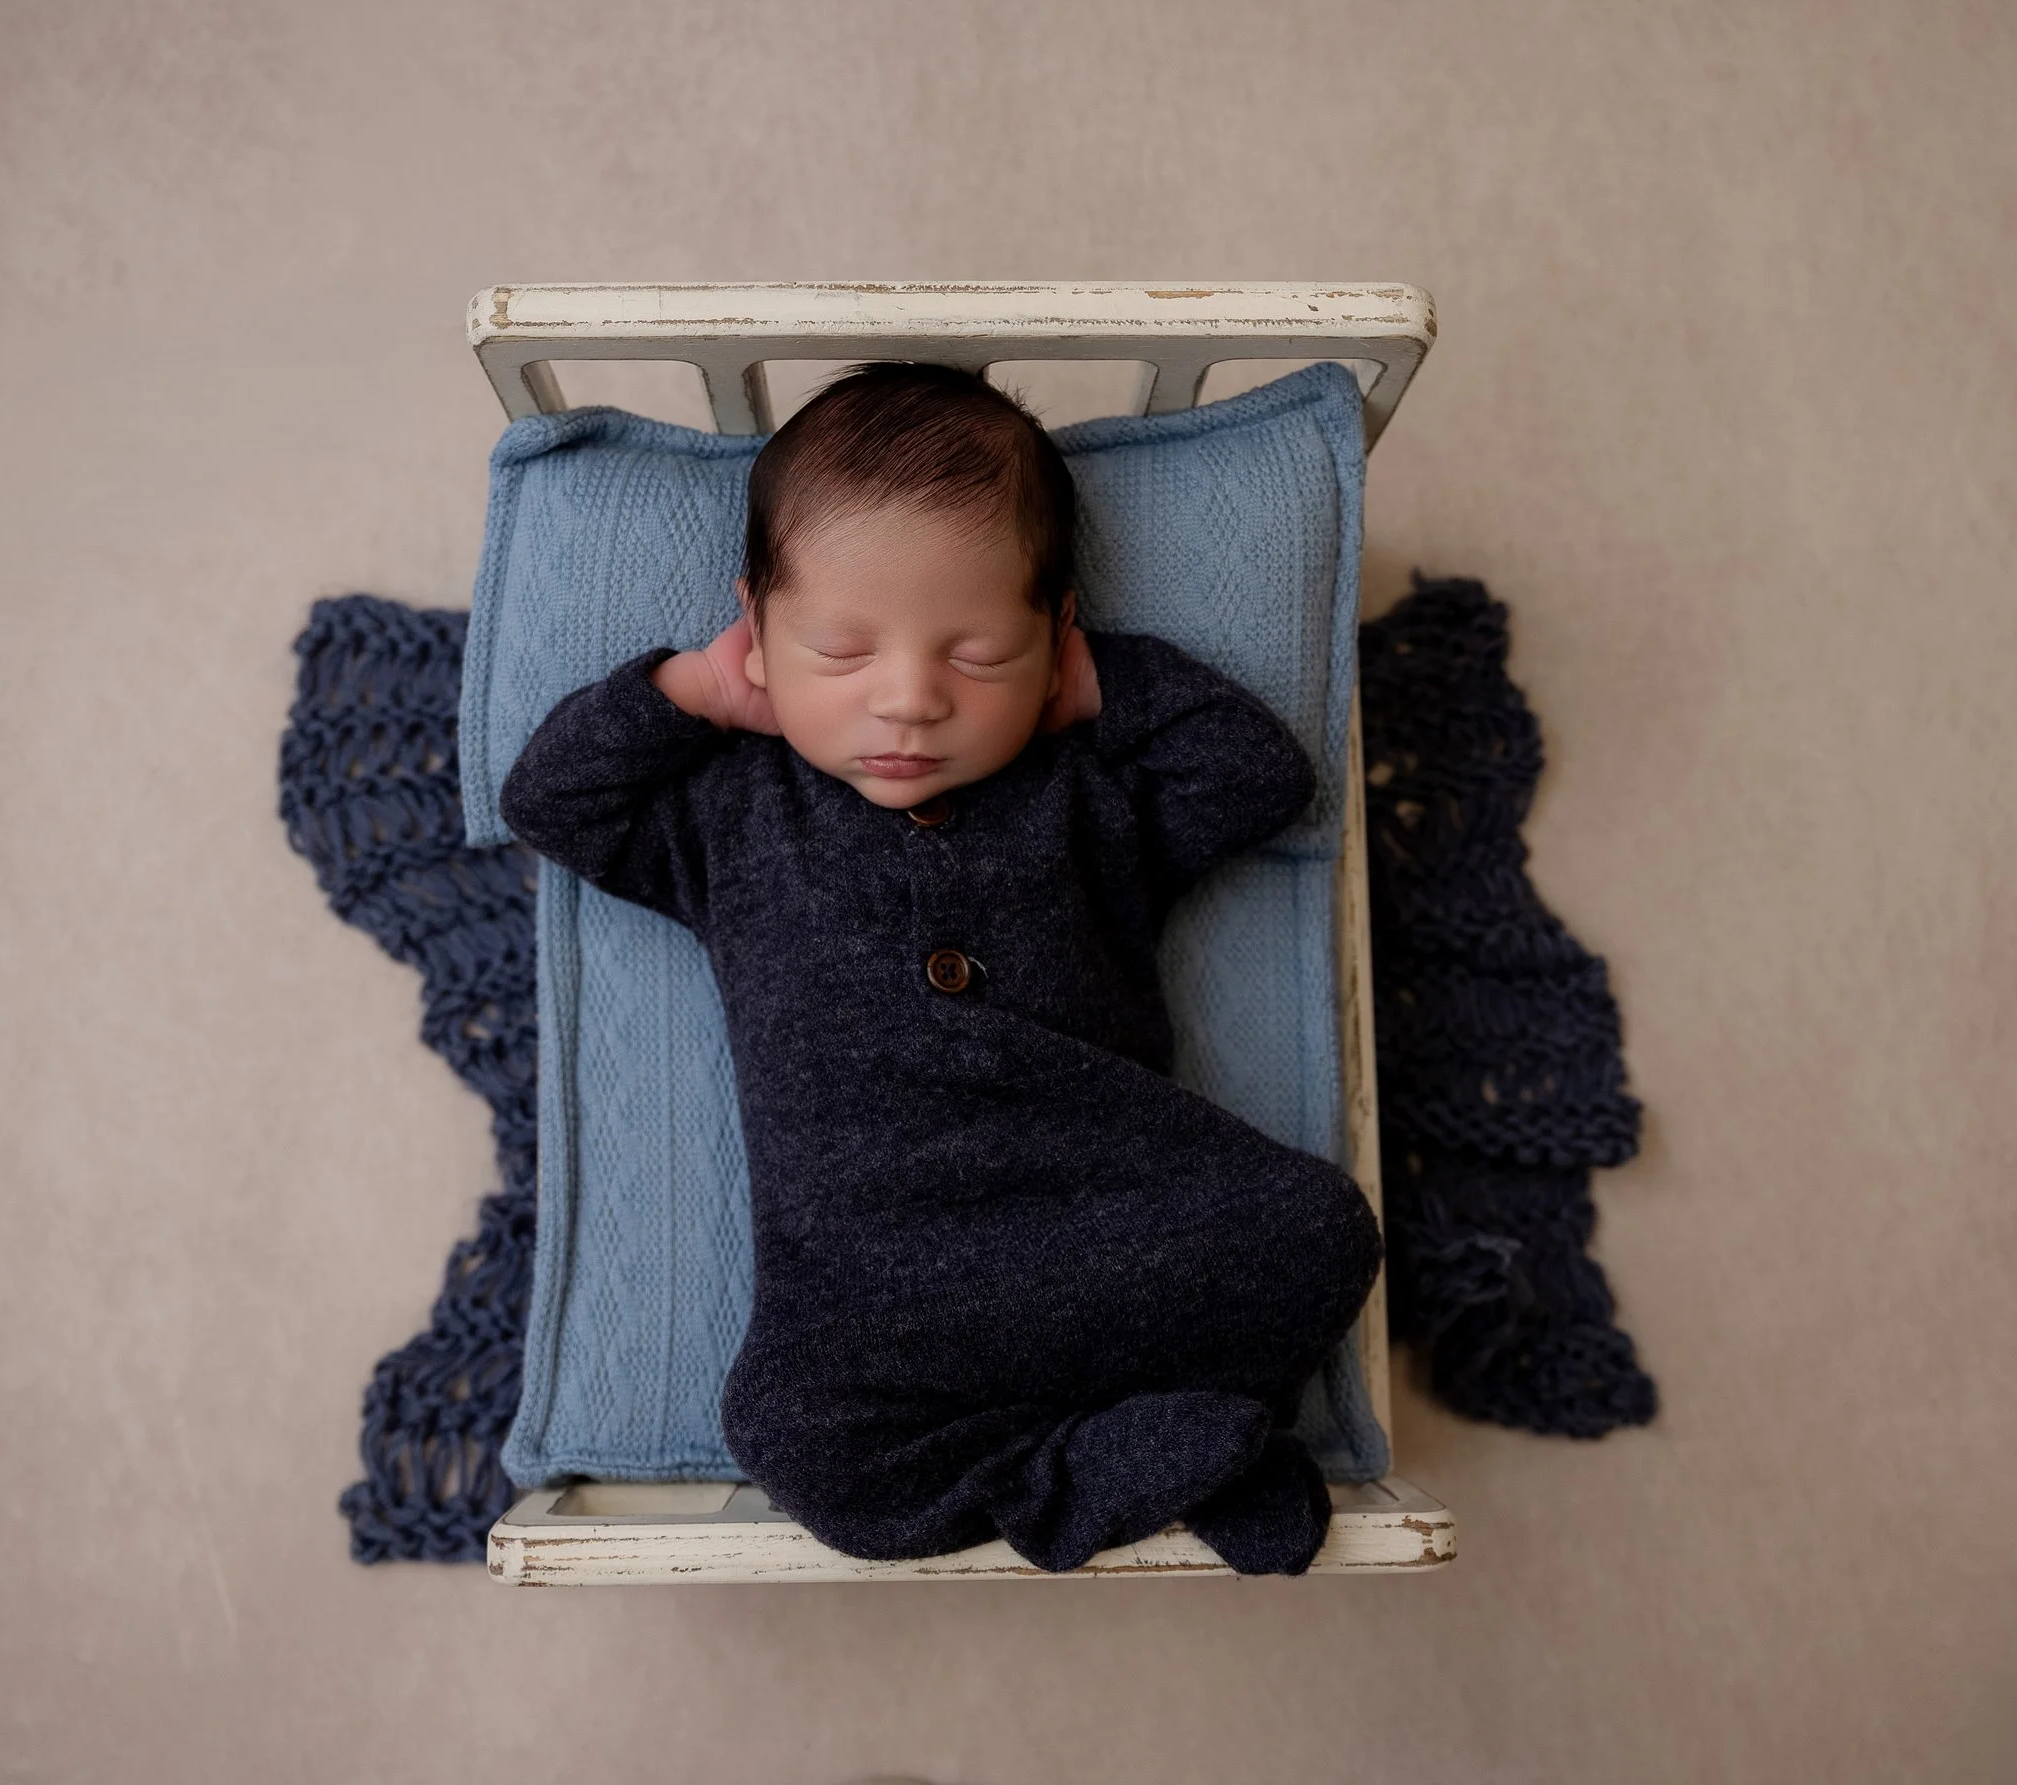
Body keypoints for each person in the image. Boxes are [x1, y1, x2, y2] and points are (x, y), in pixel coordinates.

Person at [500, 363, 1378, 1573]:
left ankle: (1176, 1435)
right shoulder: (730, 816)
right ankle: (1112, 1465)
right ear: (755, 625)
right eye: (839, 650)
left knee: (1320, 1230)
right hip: (873, 1287)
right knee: (793, 1438)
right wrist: (689, 691)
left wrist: (1099, 685)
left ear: (1055, 631)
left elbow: (1256, 778)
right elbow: (553, 800)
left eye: (976, 654)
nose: (909, 700)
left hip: (1111, 1213)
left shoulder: (1089, 802)